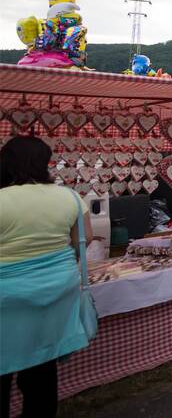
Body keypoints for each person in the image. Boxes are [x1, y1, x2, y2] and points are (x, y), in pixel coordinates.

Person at [1, 136, 95, 418]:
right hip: (57, 290)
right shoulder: (68, 197)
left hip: (7, 295)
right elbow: (85, 239)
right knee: (42, 368)